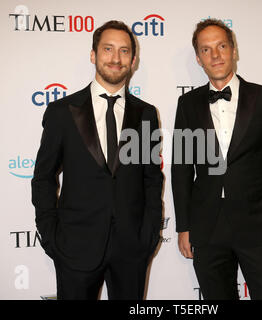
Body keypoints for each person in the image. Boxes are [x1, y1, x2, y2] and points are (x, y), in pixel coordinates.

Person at [171, 19, 262, 300]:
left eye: (221, 46)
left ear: (233, 50)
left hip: (256, 223)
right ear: (198, 58)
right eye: (206, 50)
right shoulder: (188, 104)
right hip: (206, 227)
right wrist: (183, 225)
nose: (215, 55)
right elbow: (181, 168)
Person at [31, 20, 163, 300]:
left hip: (131, 250)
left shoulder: (146, 114)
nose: (116, 58)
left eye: (124, 51)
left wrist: (149, 233)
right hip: (74, 247)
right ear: (93, 55)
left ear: (133, 60)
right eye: (108, 49)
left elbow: (152, 177)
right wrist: (51, 235)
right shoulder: (62, 112)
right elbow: (43, 177)